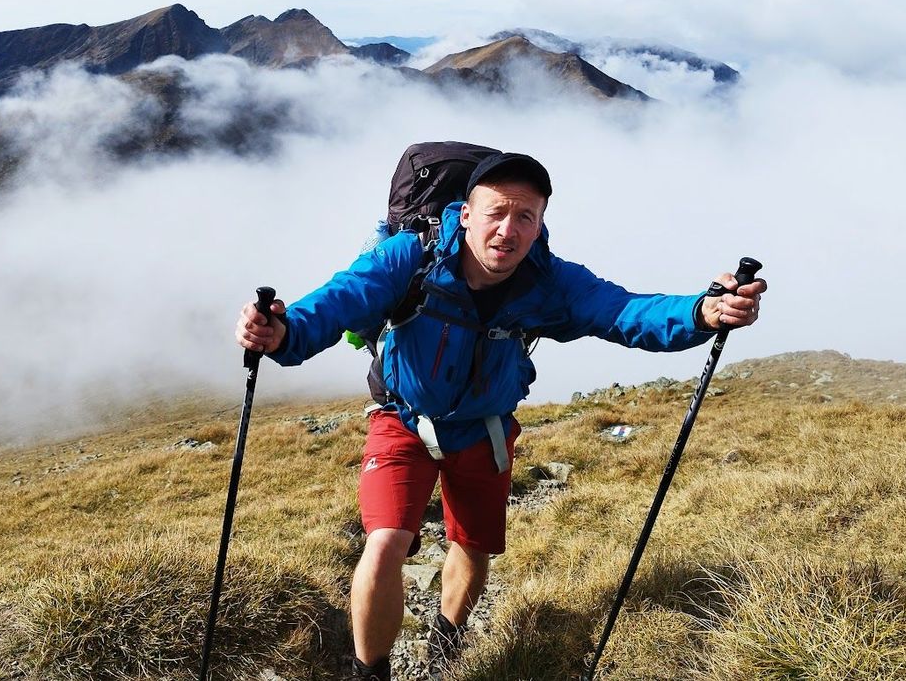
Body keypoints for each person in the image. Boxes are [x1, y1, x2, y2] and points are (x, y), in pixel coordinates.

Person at [235, 152, 766, 680]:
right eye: (495, 212)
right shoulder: (408, 259)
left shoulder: (550, 282)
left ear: (540, 226)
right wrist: (284, 333)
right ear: (465, 213)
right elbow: (341, 301)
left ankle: (448, 636)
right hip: (403, 421)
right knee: (385, 543)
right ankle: (369, 672)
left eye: (525, 217)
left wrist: (701, 311)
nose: (507, 231)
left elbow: (624, 311)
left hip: (484, 432)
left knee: (474, 543)